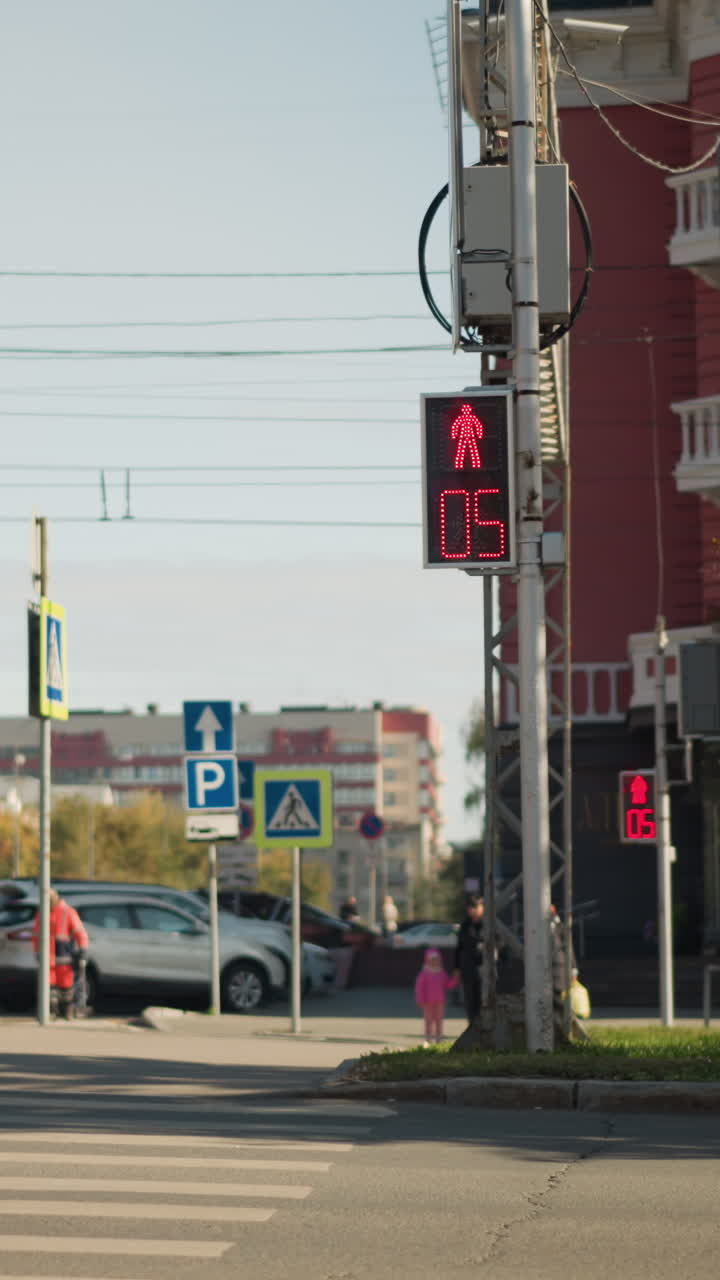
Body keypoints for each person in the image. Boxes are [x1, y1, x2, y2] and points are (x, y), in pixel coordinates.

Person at [32, 887, 88, 1019]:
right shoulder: (42, 913)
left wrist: (83, 950)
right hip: (48, 957)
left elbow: (80, 933)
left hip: (64, 956)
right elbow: (36, 935)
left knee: (66, 985)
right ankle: (51, 1011)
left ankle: (66, 1010)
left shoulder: (67, 912)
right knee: (49, 985)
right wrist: (37, 952)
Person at [414, 947, 458, 1044]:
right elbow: (419, 989)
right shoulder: (424, 974)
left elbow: (448, 985)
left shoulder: (442, 973)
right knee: (428, 1021)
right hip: (427, 1002)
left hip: (440, 1002)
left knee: (439, 1021)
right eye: (432, 960)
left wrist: (455, 980)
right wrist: (420, 1000)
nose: (435, 962)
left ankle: (438, 1039)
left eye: (437, 960)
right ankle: (428, 1039)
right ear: (427, 961)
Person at [453, 894, 485, 1023]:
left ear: (482, 907)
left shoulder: (490, 924)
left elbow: (501, 945)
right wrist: (456, 968)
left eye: (475, 907)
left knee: (483, 1001)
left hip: (485, 970)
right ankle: (472, 1029)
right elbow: (459, 948)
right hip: (468, 969)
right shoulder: (465, 926)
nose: (471, 910)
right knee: (470, 1002)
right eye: (469, 907)